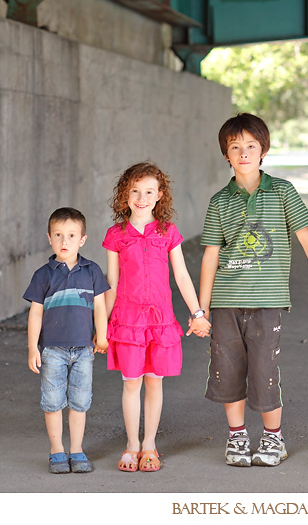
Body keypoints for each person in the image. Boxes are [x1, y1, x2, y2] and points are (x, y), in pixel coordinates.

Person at [199, 113, 308, 468]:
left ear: (263, 150)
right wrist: (200, 309)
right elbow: (210, 256)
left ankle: (273, 438)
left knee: (265, 371)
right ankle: (236, 436)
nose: (243, 153)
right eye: (235, 147)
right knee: (228, 370)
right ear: (226, 154)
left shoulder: (282, 191)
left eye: (250, 146)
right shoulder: (220, 201)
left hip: (267, 302)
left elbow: (306, 237)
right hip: (225, 302)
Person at [103, 162, 211, 473]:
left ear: (159, 195)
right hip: (127, 319)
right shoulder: (116, 234)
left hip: (160, 320)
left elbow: (181, 275)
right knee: (131, 383)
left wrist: (198, 313)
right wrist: (100, 325)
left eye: (149, 191)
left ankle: (149, 444)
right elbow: (110, 282)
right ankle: (131, 445)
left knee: (154, 382)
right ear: (125, 194)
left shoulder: (168, 233)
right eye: (135, 191)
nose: (141, 197)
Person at [24, 207, 110, 474]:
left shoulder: (92, 271)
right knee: (52, 401)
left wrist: (102, 336)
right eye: (58, 235)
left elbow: (100, 307)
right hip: (52, 350)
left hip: (84, 348)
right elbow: (35, 313)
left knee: (79, 401)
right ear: (49, 238)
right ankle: (56, 451)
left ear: (82, 240)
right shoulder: (43, 275)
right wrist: (32, 348)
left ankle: (76, 449)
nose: (65, 241)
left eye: (71, 235)